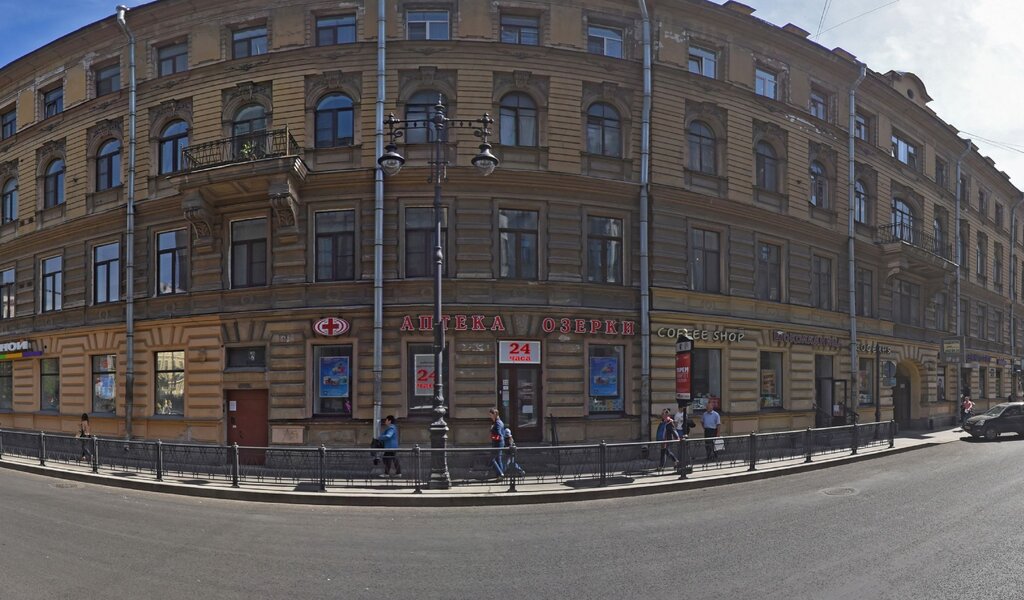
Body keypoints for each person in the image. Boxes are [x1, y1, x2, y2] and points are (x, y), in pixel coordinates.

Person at [488, 407, 506, 478]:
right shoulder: (496, 422)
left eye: (491, 415)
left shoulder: (498, 423)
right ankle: (499, 475)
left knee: (493, 459)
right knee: (498, 459)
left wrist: (492, 431)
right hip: (498, 442)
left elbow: (499, 434)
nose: (490, 416)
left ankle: (501, 473)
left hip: (498, 443)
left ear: (495, 414)